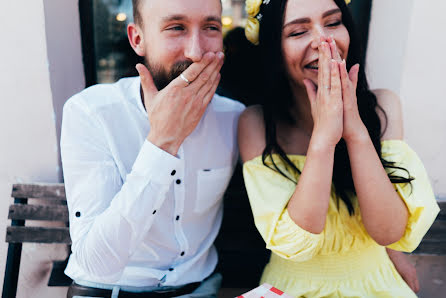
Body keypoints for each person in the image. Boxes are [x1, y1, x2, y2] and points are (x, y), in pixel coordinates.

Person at [237, 0, 440, 296]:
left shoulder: (384, 106)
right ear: (274, 50)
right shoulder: (257, 124)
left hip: (377, 285)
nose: (323, 40)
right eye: (297, 32)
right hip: (292, 286)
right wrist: (324, 139)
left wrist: (355, 132)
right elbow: (294, 244)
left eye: (332, 23)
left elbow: (389, 232)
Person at [60, 0, 245, 297]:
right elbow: (96, 264)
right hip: (109, 291)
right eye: (176, 28)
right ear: (138, 39)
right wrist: (163, 142)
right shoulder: (92, 112)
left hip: (200, 290)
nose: (196, 52)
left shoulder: (234, 117)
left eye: (210, 27)